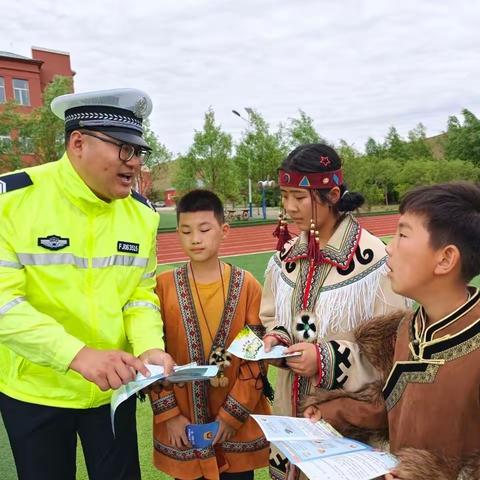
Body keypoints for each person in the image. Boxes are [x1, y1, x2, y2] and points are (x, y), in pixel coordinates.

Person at [0, 88, 174, 480]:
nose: (135, 163)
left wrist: (150, 347)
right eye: (123, 149)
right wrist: (77, 355)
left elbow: (139, 295)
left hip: (113, 389)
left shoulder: (142, 215)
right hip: (35, 391)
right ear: (78, 142)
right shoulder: (11, 201)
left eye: (140, 152)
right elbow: (3, 304)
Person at [303, 182, 480, 479]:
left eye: (402, 234)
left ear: (446, 258)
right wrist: (334, 413)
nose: (389, 246)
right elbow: (394, 406)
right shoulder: (406, 330)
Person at [259, 143, 409, 480]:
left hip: (346, 422)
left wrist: (326, 359)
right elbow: (274, 315)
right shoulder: (285, 258)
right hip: (291, 415)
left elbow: (392, 350)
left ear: (332, 195)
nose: (289, 207)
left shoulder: (375, 262)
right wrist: (278, 337)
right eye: (284, 196)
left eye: (299, 196)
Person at [149, 189, 271, 480]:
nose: (195, 239)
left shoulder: (247, 286)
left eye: (204, 229)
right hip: (183, 426)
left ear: (224, 230)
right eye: (186, 231)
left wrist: (230, 417)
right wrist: (171, 417)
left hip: (235, 430)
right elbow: (151, 355)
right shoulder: (163, 287)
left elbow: (254, 360)